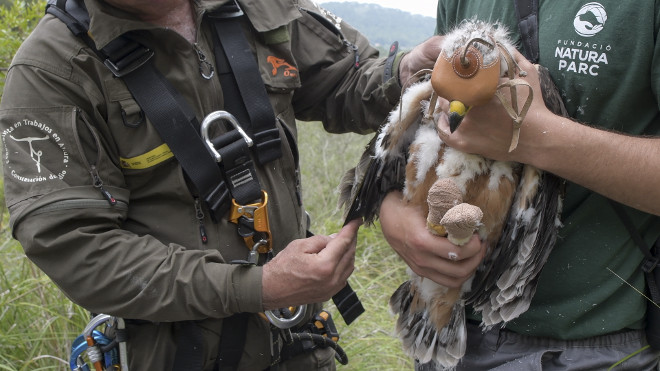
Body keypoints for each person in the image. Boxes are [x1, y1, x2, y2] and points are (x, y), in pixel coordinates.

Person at [0, 0, 442, 369]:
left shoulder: (256, 7)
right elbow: (76, 246)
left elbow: (344, 80)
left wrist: (402, 74)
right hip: (182, 357)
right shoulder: (51, 71)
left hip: (301, 349)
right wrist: (258, 286)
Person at [381, 1, 660, 370]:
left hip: (588, 345)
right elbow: (434, 134)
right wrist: (396, 217)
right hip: (451, 328)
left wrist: (535, 138)